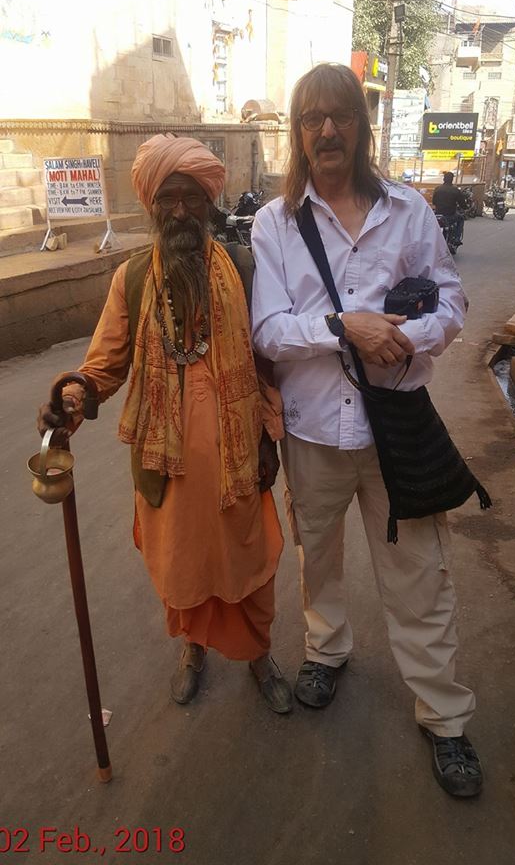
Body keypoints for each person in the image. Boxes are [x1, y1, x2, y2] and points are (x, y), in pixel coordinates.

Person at [251, 63, 483, 796]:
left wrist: (405, 337)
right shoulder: (274, 222)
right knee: (316, 558)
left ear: (361, 126)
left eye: (341, 115)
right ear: (298, 132)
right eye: (312, 118)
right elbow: (268, 329)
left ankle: (444, 716)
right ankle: (326, 650)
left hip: (395, 431)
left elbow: (451, 301)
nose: (327, 130)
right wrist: (344, 327)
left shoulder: (409, 212)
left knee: (420, 575)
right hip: (313, 432)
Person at [37, 134, 293, 715]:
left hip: (238, 461)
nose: (180, 211)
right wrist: (71, 398)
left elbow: (266, 358)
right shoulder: (130, 279)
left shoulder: (244, 268)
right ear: (153, 205)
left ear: (208, 202)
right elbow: (103, 366)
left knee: (251, 566)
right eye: (168, 199)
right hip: (166, 468)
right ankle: (193, 650)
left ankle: (259, 657)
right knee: (183, 567)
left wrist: (269, 437)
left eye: (191, 198)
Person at [432, 171, 468, 247]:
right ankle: (457, 238)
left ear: (444, 179)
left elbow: (434, 202)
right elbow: (462, 203)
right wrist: (465, 208)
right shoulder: (455, 190)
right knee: (461, 219)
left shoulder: (437, 189)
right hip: (450, 215)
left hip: (438, 214)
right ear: (452, 179)